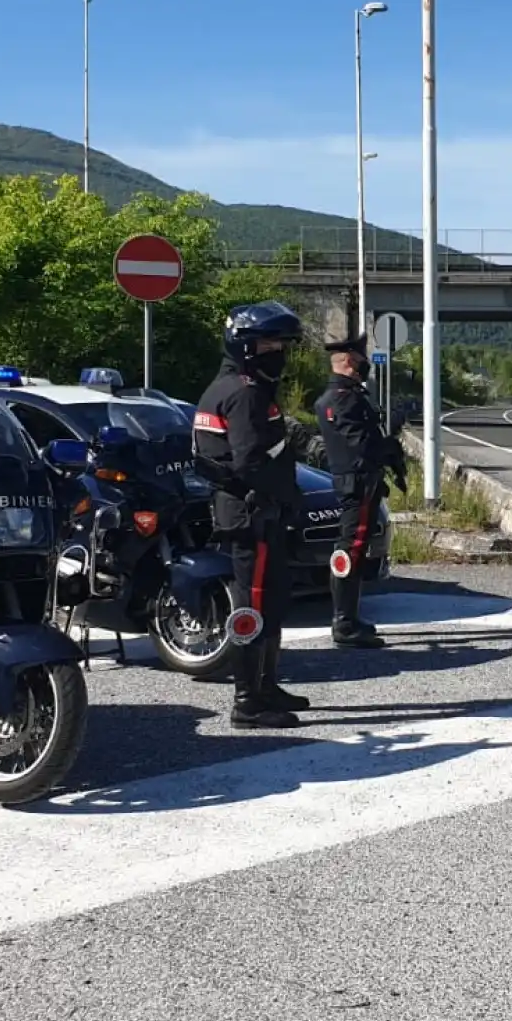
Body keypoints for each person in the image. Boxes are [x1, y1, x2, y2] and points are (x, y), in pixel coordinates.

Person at [191, 302, 309, 729]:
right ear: (244, 345)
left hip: (257, 512)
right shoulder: (243, 393)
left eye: (282, 344)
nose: (278, 351)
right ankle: (247, 701)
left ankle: (266, 685)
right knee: (254, 605)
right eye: (269, 343)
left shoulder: (235, 385)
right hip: (251, 513)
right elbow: (250, 462)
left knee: (272, 601)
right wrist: (290, 498)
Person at [313, 334, 407, 648]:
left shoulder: (348, 395)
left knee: (355, 548)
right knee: (350, 550)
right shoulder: (342, 398)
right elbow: (361, 445)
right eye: (362, 358)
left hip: (360, 482)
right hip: (357, 484)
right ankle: (344, 623)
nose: (366, 363)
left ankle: (349, 617)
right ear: (351, 360)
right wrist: (388, 442)